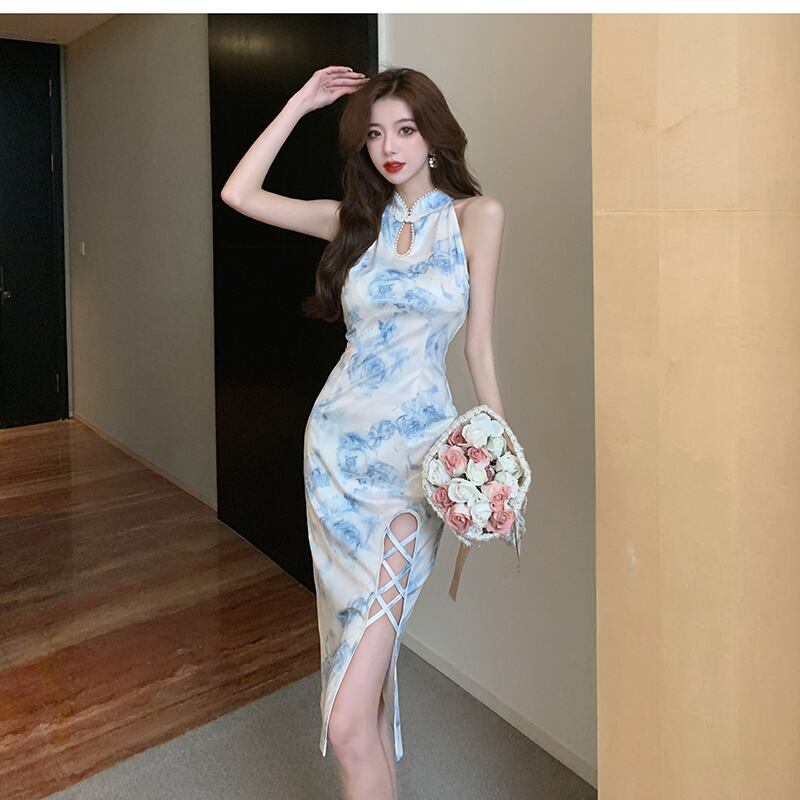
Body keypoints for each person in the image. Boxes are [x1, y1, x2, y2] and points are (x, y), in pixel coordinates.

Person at [221, 65, 506, 800]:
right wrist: (300, 103)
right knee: (359, 677)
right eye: (375, 134)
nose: (390, 147)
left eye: (405, 130)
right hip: (336, 459)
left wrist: (499, 454)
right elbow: (239, 194)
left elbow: (477, 348)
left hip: (415, 467)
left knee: (347, 715)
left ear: (433, 136)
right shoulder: (354, 222)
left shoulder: (476, 218)